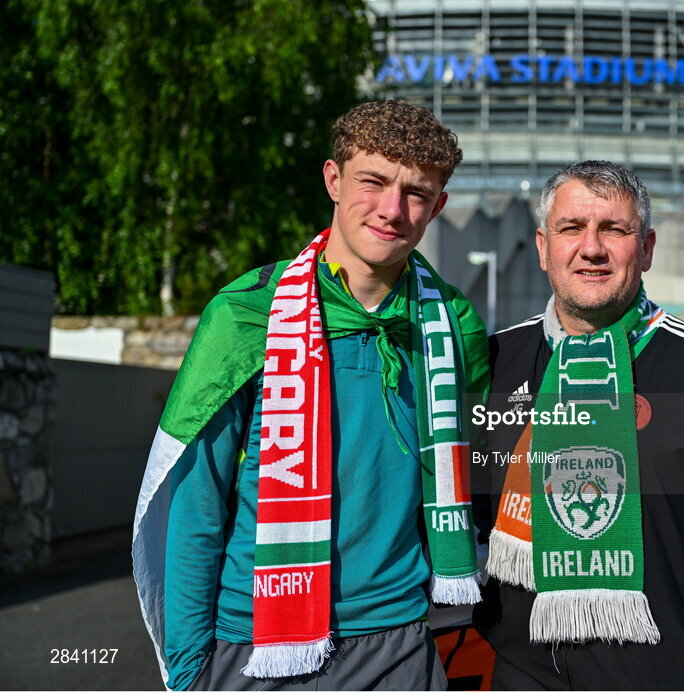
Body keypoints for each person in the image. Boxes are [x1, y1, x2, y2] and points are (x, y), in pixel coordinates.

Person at [133, 100, 489, 691]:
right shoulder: (247, 313)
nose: (392, 210)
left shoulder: (453, 324)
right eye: (372, 181)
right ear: (332, 178)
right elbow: (197, 504)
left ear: (439, 207)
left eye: (416, 193)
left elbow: (469, 468)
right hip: (256, 641)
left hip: (400, 642)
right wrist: (190, 667)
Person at [472, 161, 684, 690]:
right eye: (572, 228)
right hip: (519, 677)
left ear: (647, 249)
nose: (591, 248)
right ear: (544, 247)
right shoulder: (497, 360)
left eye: (614, 229)